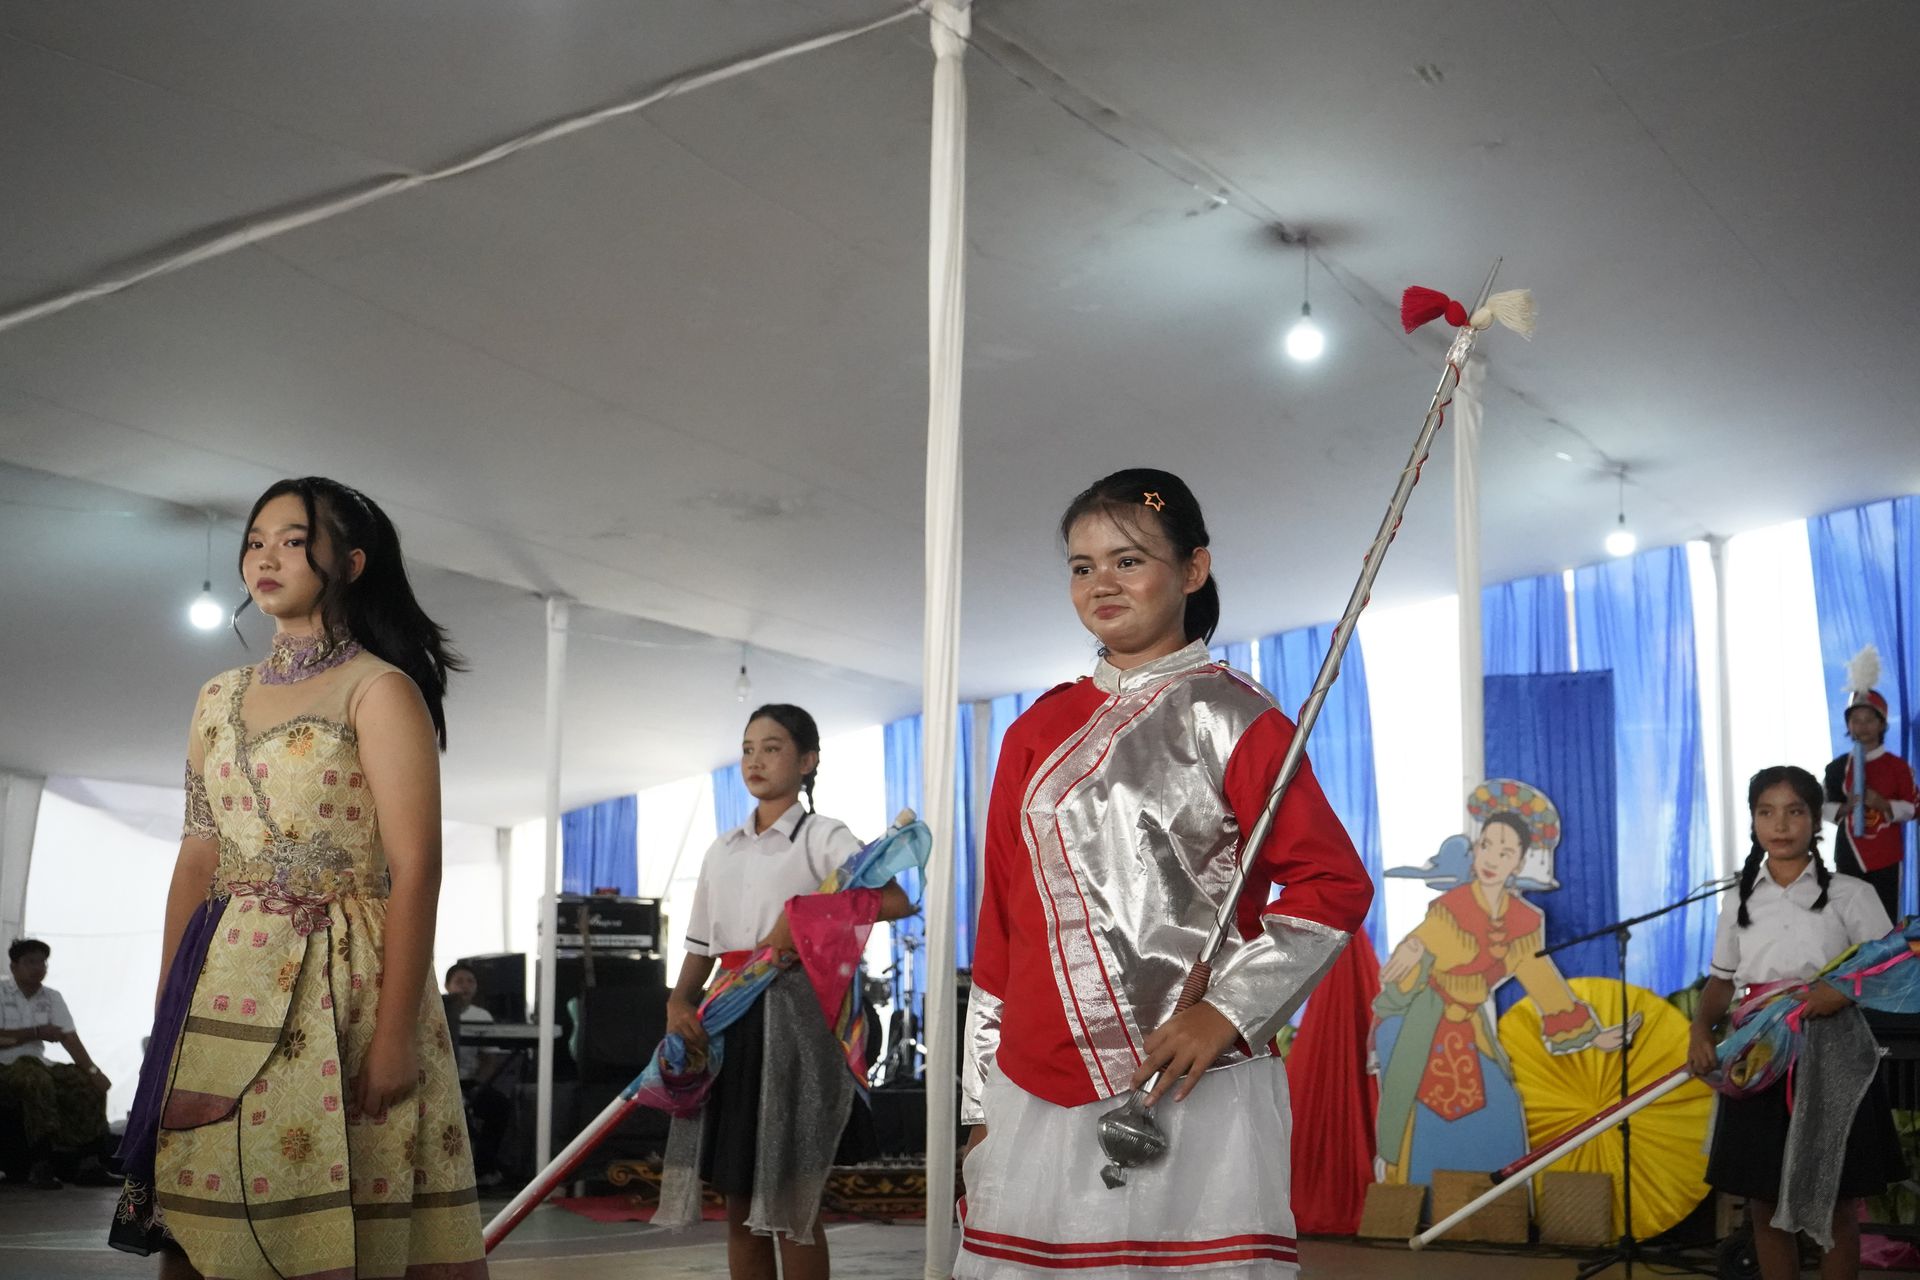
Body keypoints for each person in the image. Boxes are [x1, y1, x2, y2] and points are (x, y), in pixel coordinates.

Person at [955, 468, 1374, 1279]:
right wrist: (982, 1099)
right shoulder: (1034, 731)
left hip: (1187, 1075)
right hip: (1034, 1083)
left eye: (1128, 560)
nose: (1101, 584)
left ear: (1192, 569)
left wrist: (1228, 1013)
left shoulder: (1237, 718)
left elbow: (1332, 886)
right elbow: (1002, 925)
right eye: (1083, 567)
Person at [108, 477, 488, 1279]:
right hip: (221, 980)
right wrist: (167, 1005)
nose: (266, 557)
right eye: (255, 541)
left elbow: (417, 869)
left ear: (349, 562)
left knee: (323, 1214)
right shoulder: (217, 697)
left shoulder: (380, 689)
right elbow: (198, 854)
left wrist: (394, 1037)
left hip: (345, 982)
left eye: (292, 540)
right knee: (195, 1223)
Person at [663, 703, 914, 1280]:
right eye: (748, 749)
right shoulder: (722, 849)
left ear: (807, 761)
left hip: (795, 1023)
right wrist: (679, 1001)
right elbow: (700, 944)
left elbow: (896, 899)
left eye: (772, 748)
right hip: (729, 1019)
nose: (755, 760)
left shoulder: (822, 836)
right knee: (739, 1201)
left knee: (791, 1204)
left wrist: (801, 920)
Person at [1689, 765, 1905, 1280]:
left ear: (1815, 820)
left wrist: (1842, 991)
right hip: (1760, 1056)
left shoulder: (1852, 894)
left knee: (1835, 1201)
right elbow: (1721, 981)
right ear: (1753, 821)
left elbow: (1892, 964)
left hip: (1834, 1059)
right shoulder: (1738, 898)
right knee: (1764, 1201)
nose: (1780, 825)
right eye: (1766, 812)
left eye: (1794, 811)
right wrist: (1700, 1031)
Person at [1373, 791, 1633, 1186]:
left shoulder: (1523, 921)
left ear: (1520, 862)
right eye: (1486, 845)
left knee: (1501, 1104)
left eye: (1505, 851)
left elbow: (1541, 978)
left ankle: (1490, 1205)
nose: (1492, 858)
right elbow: (1419, 948)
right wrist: (1414, 948)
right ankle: (1415, 1200)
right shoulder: (1451, 908)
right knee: (1417, 1110)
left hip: (1469, 1026)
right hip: (1421, 1021)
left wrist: (1594, 1035)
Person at [0, 938, 112, 1189]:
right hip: (5, 1065)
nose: (38, 968)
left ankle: (89, 1163)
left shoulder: (51, 997)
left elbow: (68, 1037)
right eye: (31, 962)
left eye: (42, 962)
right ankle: (40, 1163)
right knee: (36, 1081)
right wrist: (35, 1032)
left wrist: (93, 1070)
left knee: (85, 1083)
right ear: (14, 967)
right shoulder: (1, 992)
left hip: (39, 1063)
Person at [1823, 685, 1917, 923]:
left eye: (1869, 720)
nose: (1862, 726)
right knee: (1849, 920)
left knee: (1885, 922)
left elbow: (1913, 807)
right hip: (1849, 853)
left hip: (1886, 855)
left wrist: (1883, 804)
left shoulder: (1898, 767)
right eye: (1856, 720)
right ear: (1848, 725)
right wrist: (1845, 808)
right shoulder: (1837, 768)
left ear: (1882, 724)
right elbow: (1820, 807)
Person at [444, 961, 509, 1188]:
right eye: (459, 981)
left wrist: (479, 1086)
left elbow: (489, 1059)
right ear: (447, 986)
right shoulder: (438, 1011)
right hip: (443, 1082)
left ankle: (483, 1168)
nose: (465, 986)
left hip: (470, 1083)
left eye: (470, 981)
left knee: (500, 1106)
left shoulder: (482, 1016)